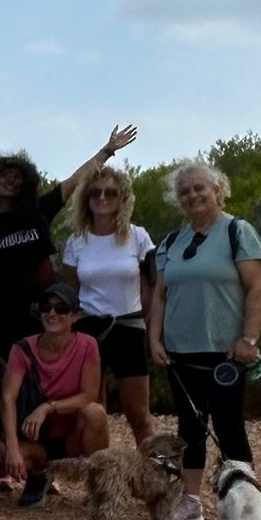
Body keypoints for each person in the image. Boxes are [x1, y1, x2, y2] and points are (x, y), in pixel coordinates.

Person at [146, 164, 261, 520]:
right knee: (190, 430)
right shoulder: (171, 242)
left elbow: (257, 287)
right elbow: (160, 295)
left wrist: (249, 339)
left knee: (230, 427)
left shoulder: (237, 232)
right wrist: (154, 337)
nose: (193, 196)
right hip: (181, 352)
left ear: (218, 189)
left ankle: (244, 510)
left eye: (199, 188)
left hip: (226, 352)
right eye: (185, 192)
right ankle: (192, 502)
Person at [0, 126, 138, 364]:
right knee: (8, 379)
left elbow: (76, 180)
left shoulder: (39, 210)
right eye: (5, 176)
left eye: (17, 178)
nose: (10, 182)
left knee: (47, 376)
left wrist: (106, 151)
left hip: (44, 313)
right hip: (0, 315)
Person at [62, 165, 155, 443]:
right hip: (90, 330)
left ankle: (151, 475)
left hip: (129, 327)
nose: (102, 198)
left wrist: (145, 320)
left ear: (122, 197)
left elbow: (150, 284)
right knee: (94, 410)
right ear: (86, 198)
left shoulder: (138, 237)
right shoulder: (77, 241)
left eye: (111, 193)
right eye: (95, 193)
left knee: (138, 412)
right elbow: (71, 290)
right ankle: (101, 477)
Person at [0, 284, 109, 507]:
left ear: (75, 316)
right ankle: (39, 476)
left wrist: (48, 407)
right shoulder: (22, 349)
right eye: (46, 307)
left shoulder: (88, 345)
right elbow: (7, 398)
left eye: (61, 308)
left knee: (95, 412)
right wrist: (12, 448)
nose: (52, 313)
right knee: (1, 451)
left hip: (71, 435)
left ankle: (100, 484)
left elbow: (88, 395)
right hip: (35, 436)